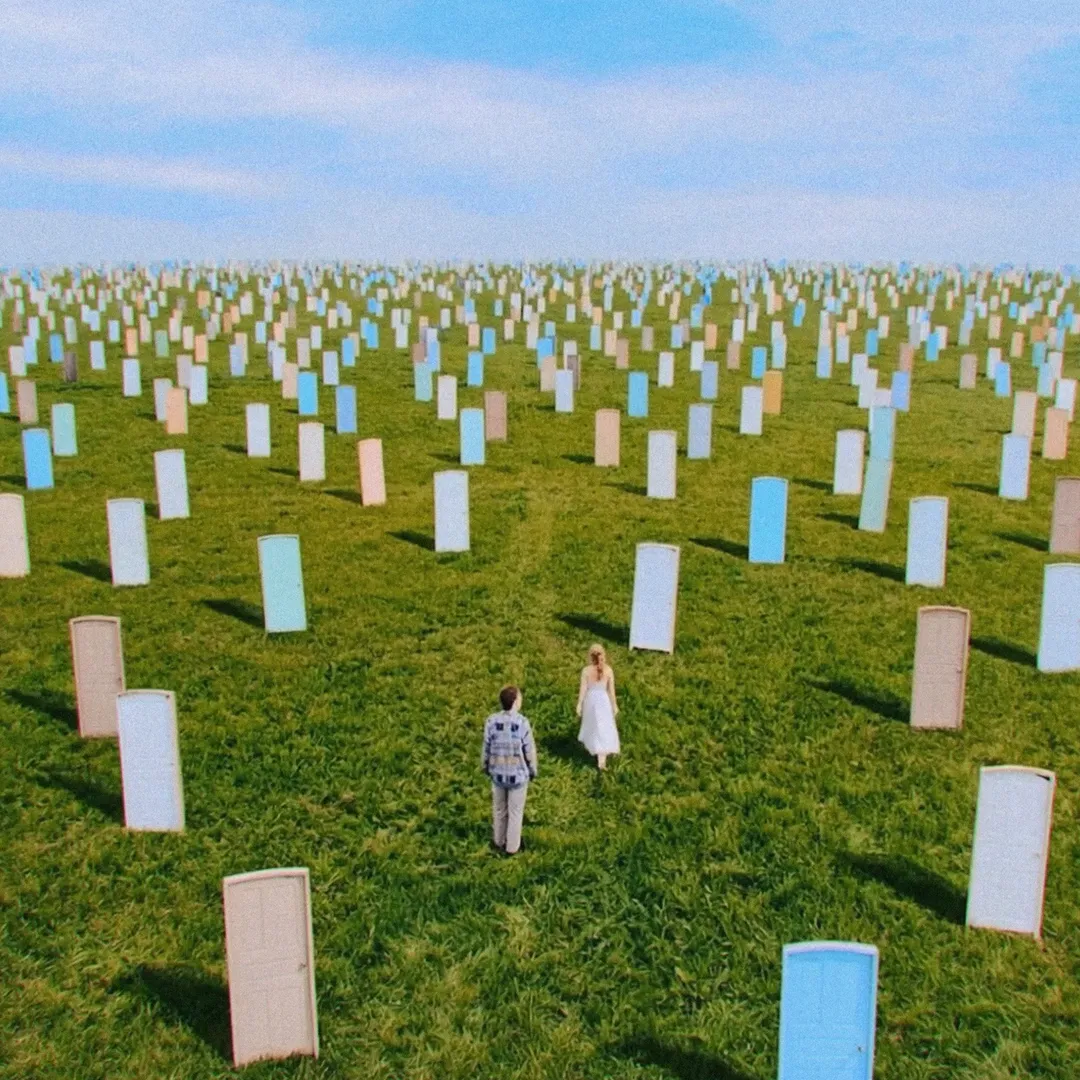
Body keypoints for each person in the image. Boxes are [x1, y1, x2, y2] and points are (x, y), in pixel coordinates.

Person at [481, 685, 537, 855]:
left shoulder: (491, 721)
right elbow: (529, 750)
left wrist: (485, 766)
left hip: (497, 773)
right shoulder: (522, 723)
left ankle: (498, 841)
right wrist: (533, 769)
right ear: (514, 702)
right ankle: (512, 847)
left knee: (499, 809)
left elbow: (486, 747)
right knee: (515, 812)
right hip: (517, 775)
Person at [576, 644, 620, 769]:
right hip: (603, 701)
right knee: (604, 728)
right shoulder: (608, 670)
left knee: (594, 728)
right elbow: (611, 691)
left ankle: (597, 752)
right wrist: (614, 705)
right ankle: (602, 760)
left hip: (591, 702)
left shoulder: (586, 671)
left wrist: (579, 704)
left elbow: (583, 690)